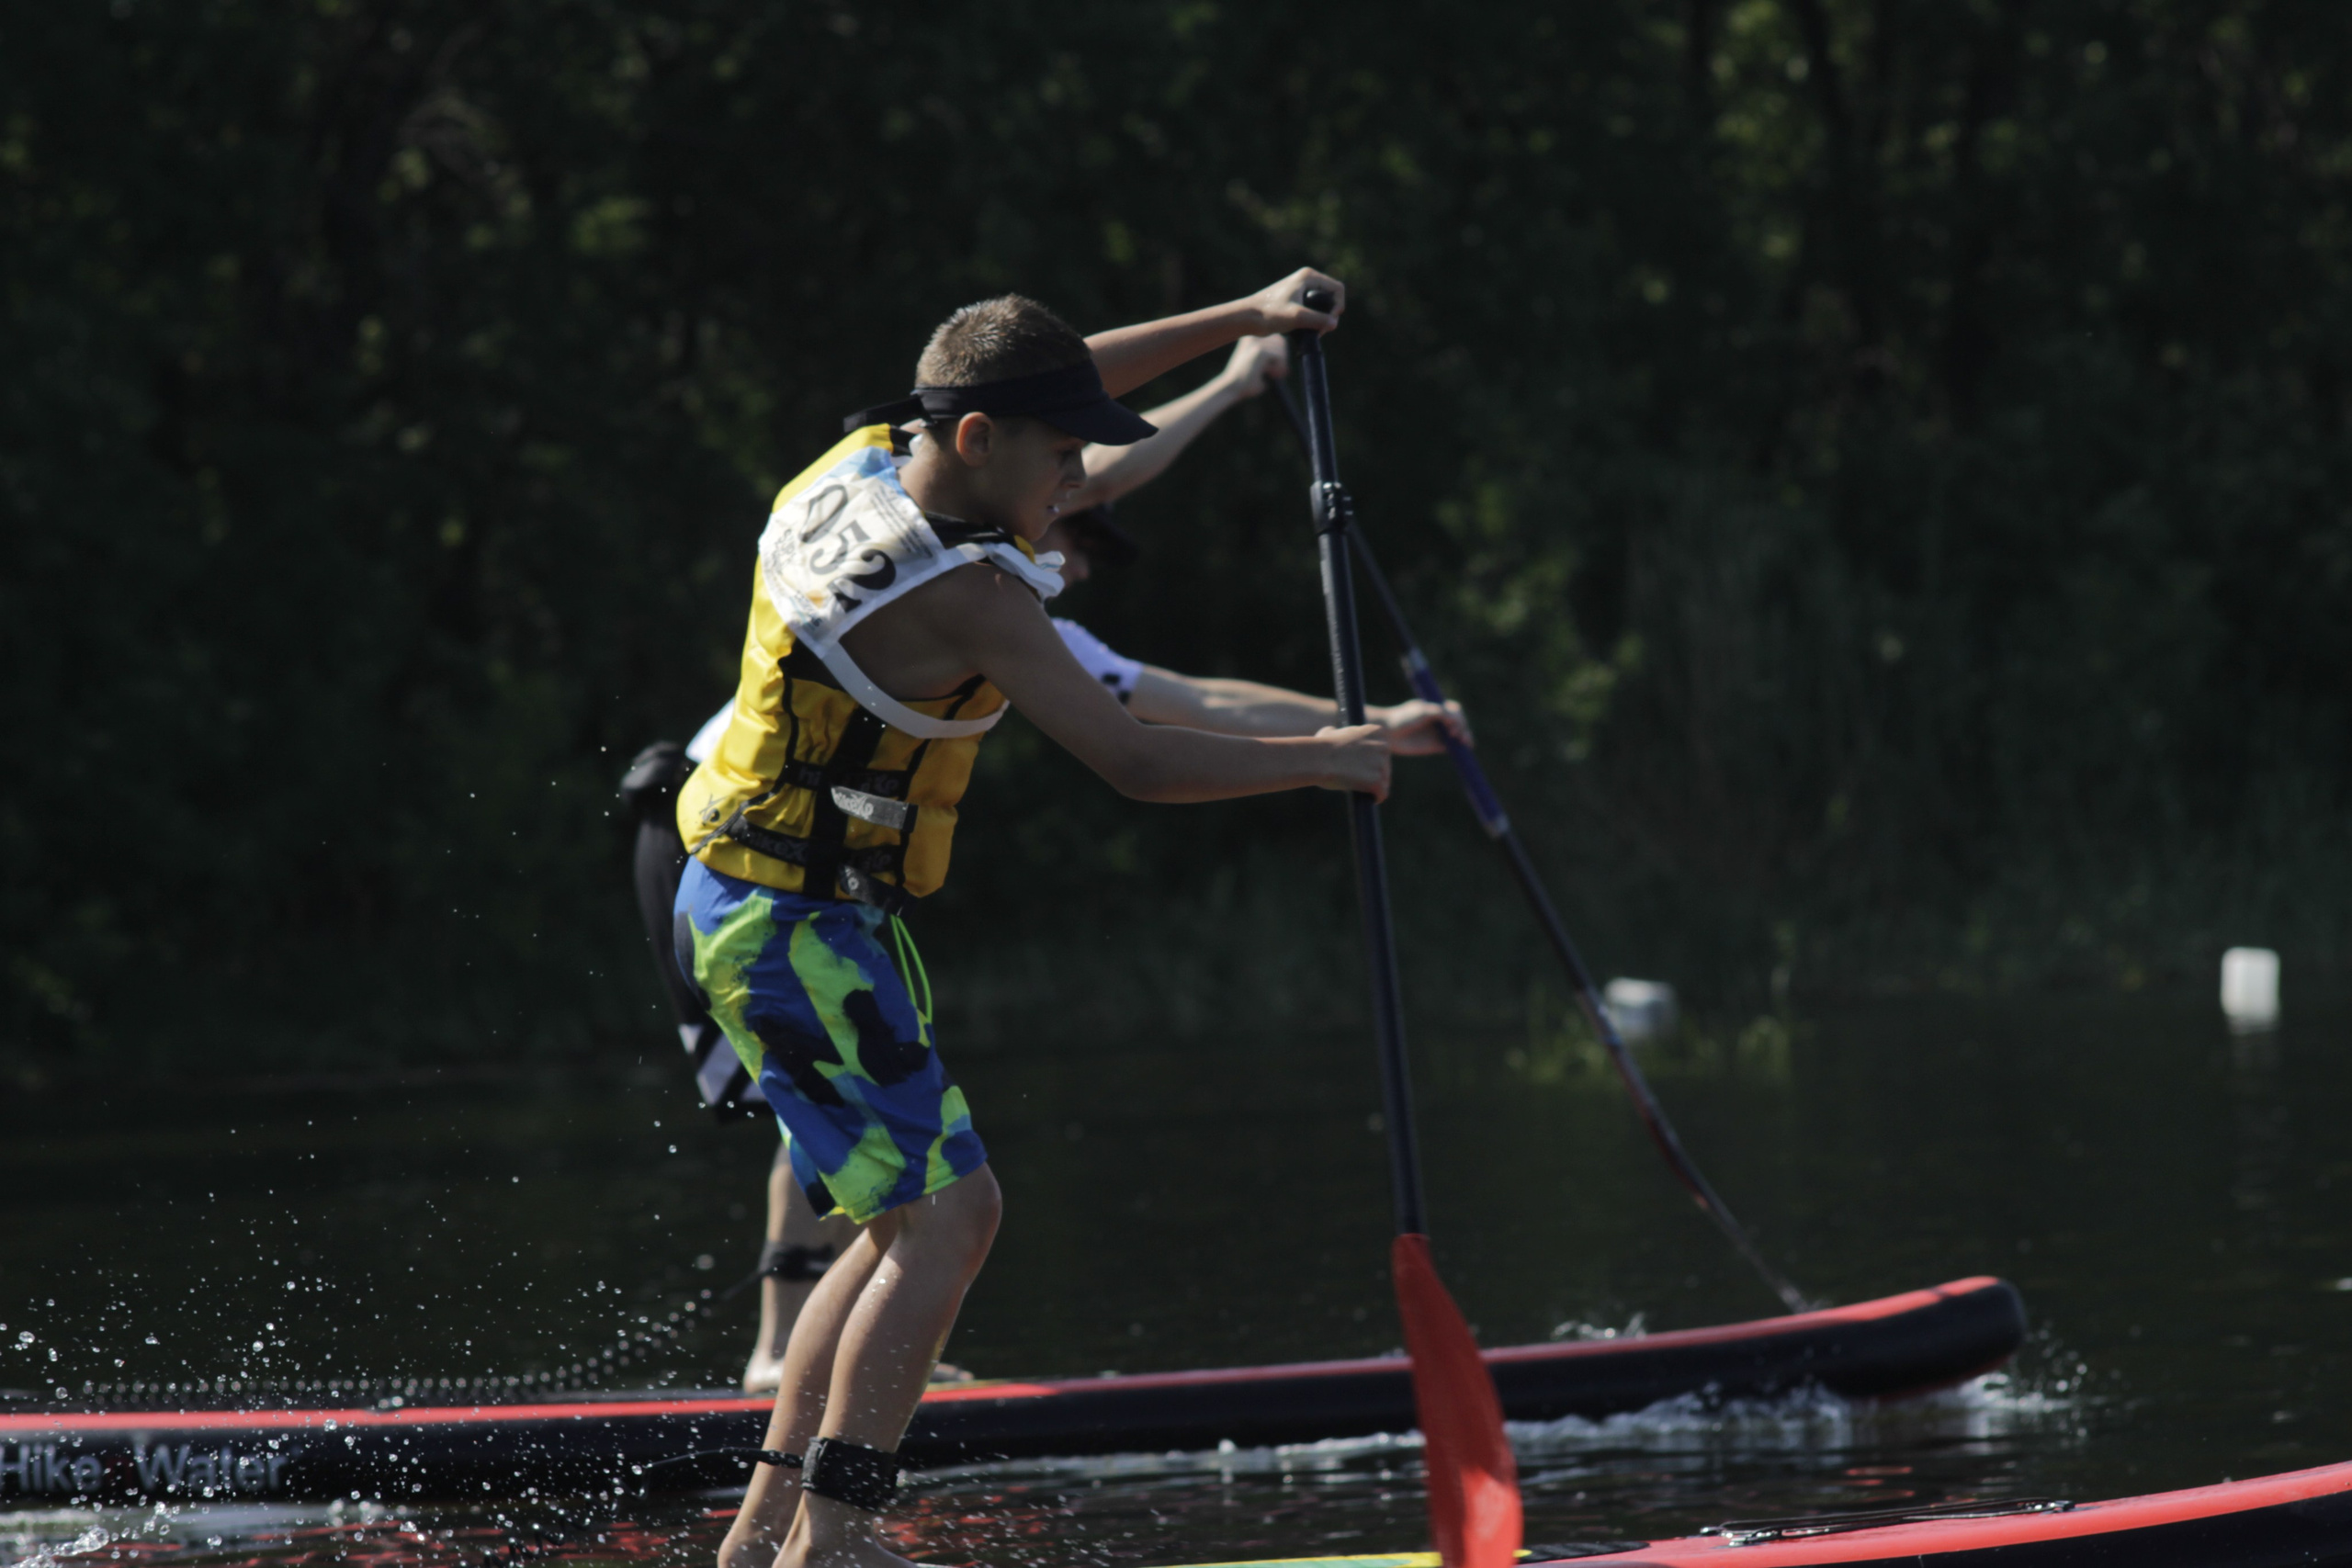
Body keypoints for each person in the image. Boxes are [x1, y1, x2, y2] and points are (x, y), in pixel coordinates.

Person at [673, 269, 1413, 1568]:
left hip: (773, 902)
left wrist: (1242, 317)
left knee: (905, 1224)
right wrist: (1331, 753)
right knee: (958, 1222)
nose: (1075, 480)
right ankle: (836, 1541)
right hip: (784, 924)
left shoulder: (854, 457)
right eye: (1062, 457)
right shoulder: (970, 595)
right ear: (978, 445)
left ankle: (762, 1542)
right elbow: (1137, 761)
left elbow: (1027, 388)